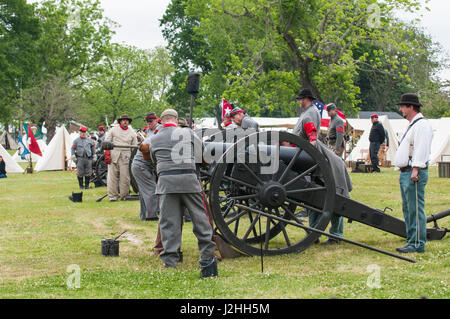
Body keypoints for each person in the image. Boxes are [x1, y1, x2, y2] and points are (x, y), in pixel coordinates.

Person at [150, 108, 217, 275]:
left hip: (166, 183)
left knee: (168, 222)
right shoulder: (188, 134)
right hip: (189, 180)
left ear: (161, 120)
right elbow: (206, 158)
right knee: (201, 221)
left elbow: (153, 160)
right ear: (176, 119)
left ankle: (170, 261)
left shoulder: (154, 138)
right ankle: (207, 260)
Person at [293, 89, 346, 244]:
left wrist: (313, 138)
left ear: (305, 99)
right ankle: (314, 232)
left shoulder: (310, 113)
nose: (299, 102)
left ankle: (336, 235)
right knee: (312, 199)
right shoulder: (308, 112)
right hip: (311, 159)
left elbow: (311, 129)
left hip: (327, 162)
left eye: (300, 99)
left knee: (338, 199)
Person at [394, 93, 433, 253]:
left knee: (415, 208)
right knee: (408, 208)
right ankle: (411, 239)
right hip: (407, 171)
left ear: (411, 107)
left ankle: (417, 243)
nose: (401, 109)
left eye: (403, 106)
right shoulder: (414, 125)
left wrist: (415, 169)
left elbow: (421, 149)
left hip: (414, 171)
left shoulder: (422, 125)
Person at [131, 118, 159, 221]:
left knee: (144, 192)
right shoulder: (154, 138)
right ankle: (151, 216)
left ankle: (144, 216)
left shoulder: (152, 136)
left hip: (140, 166)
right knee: (151, 189)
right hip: (141, 166)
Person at [105, 114, 138, 201]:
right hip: (114, 155)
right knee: (112, 177)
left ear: (129, 122)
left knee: (125, 178)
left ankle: (124, 196)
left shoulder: (132, 133)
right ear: (120, 121)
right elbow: (107, 142)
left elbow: (135, 147)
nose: (125, 121)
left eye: (126, 120)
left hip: (126, 157)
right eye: (123, 120)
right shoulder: (113, 130)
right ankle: (113, 196)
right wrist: (107, 154)